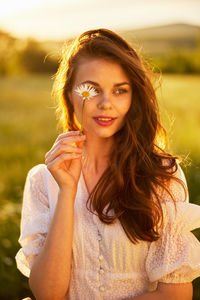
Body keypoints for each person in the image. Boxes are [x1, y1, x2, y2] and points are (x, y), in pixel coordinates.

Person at [15, 28, 200, 300]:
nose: (105, 104)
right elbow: (48, 293)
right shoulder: (42, 180)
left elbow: (175, 294)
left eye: (119, 91)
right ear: (68, 94)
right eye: (91, 90)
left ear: (132, 97)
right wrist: (66, 191)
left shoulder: (161, 174)